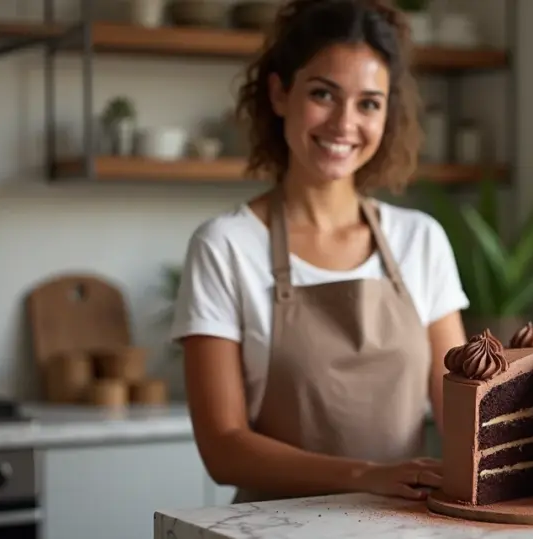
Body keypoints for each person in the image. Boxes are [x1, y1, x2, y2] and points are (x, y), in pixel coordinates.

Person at [169, 0, 470, 503]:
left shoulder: (420, 240)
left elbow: (458, 415)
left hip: (402, 526)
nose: (343, 124)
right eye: (323, 94)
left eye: (369, 103)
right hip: (272, 528)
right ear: (280, 93)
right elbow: (222, 449)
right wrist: (366, 475)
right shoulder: (225, 247)